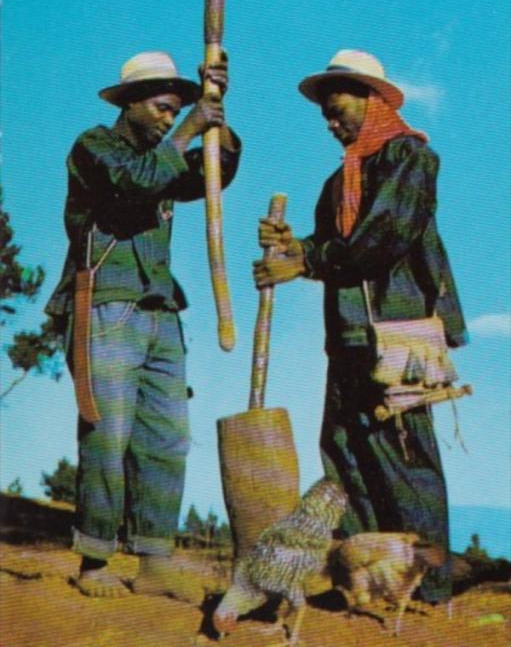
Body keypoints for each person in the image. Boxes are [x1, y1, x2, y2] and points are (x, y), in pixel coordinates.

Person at [254, 49, 467, 603]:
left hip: (400, 335)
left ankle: (428, 587)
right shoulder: (337, 184)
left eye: (337, 109)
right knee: (346, 450)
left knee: (404, 455)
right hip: (349, 335)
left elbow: (381, 240)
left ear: (371, 102)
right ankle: (362, 584)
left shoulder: (410, 160)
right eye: (324, 114)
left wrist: (307, 259)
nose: (330, 123)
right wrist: (291, 248)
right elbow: (333, 252)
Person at [46, 50, 241, 597]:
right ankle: (95, 560)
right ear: (130, 102)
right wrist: (189, 127)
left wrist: (218, 110)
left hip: (160, 312)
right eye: (160, 107)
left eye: (174, 109)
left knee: (166, 438)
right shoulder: (95, 148)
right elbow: (133, 183)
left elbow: (215, 174)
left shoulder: (168, 156)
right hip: (106, 306)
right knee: (108, 433)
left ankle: (154, 558)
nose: (166, 117)